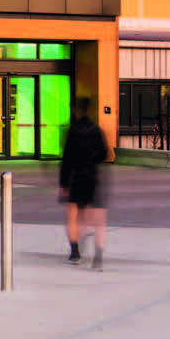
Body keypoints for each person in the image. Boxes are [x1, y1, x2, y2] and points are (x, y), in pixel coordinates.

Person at [59, 95, 109, 267]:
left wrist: (63, 184)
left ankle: (74, 252)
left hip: (76, 176)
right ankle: (99, 256)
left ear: (75, 110)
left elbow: (66, 160)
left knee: (73, 215)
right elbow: (105, 154)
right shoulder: (96, 130)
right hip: (92, 177)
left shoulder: (72, 131)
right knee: (98, 219)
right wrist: (92, 159)